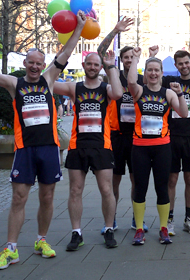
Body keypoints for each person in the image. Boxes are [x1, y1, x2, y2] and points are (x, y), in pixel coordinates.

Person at [0, 11, 86, 270]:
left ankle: (41, 241)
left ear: (43, 64)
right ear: (25, 63)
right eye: (31, 62)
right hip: (24, 150)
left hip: (48, 149)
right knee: (19, 198)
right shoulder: (14, 84)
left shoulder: (48, 79)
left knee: (47, 197)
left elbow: (66, 52)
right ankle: (10, 248)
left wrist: (78, 28)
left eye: (38, 63)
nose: (34, 66)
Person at [54, 48, 124, 250]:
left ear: (100, 67)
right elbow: (48, 82)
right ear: (83, 66)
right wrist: (59, 60)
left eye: (96, 64)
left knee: (106, 189)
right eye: (89, 63)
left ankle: (109, 229)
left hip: (102, 145)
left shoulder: (106, 89)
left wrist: (111, 66)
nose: (92, 67)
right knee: (75, 190)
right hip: (78, 146)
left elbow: (119, 93)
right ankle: (76, 233)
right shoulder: (74, 87)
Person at [127, 48, 188, 245]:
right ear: (145, 73)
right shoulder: (138, 91)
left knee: (162, 187)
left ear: (162, 73)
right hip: (140, 147)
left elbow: (184, 114)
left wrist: (180, 95)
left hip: (162, 147)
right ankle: (138, 229)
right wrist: (136, 59)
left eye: (157, 70)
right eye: (149, 70)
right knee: (140, 188)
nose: (153, 73)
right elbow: (130, 81)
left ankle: (163, 228)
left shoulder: (168, 93)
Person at [149, 43, 190, 235]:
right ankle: (170, 219)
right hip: (171, 137)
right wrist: (152, 56)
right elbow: (151, 76)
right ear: (175, 66)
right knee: (172, 179)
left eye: (186, 63)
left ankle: (189, 219)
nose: (183, 66)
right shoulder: (169, 81)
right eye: (180, 64)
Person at [96, 17, 139, 234]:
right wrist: (115, 30)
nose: (129, 59)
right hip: (115, 135)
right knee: (114, 180)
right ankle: (111, 220)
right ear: (121, 60)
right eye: (126, 57)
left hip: (137, 136)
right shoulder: (113, 74)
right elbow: (101, 50)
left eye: (133, 56)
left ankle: (135, 218)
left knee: (135, 179)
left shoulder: (142, 78)